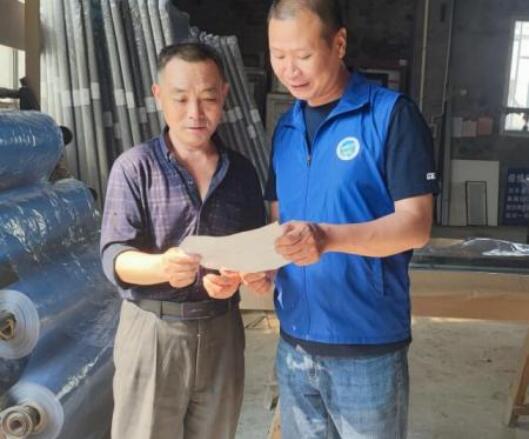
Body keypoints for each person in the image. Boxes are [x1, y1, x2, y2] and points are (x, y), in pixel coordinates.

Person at [243, 1, 439, 437]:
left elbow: (416, 225)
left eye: (303, 55)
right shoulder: (287, 129)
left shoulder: (390, 116)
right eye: (278, 55)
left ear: (339, 43)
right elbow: (280, 225)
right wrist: (266, 267)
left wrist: (326, 237)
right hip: (295, 343)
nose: (289, 70)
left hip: (366, 346)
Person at [100, 42, 265, 439]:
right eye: (181, 99)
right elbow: (114, 256)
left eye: (208, 98)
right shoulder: (135, 168)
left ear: (224, 94)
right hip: (154, 333)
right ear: (158, 96)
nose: (195, 113)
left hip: (222, 332)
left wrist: (236, 278)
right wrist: (161, 266)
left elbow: (253, 253)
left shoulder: (242, 174)